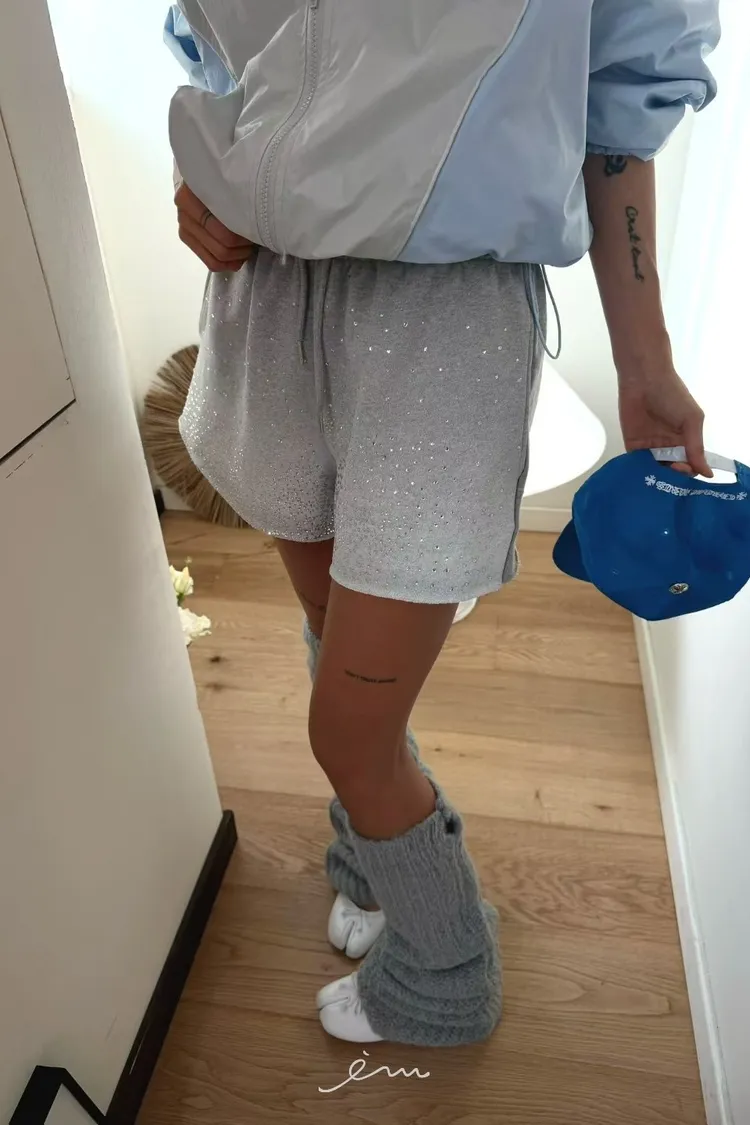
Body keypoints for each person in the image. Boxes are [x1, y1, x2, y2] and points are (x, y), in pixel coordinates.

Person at [164, 0, 719, 1047]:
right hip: (263, 291)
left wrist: (645, 360)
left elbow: (621, 85)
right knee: (332, 634)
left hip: (444, 314)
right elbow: (224, 52)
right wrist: (203, 185)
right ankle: (369, 853)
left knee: (349, 726)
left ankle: (446, 972)